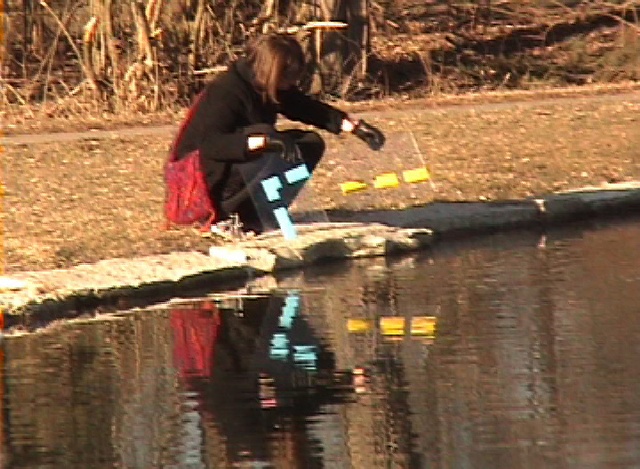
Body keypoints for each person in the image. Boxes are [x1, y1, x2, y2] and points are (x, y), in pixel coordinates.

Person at [169, 33, 385, 234]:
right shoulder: (226, 91)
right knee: (266, 138)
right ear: (271, 71)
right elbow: (211, 144)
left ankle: (262, 211)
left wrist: (351, 125)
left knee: (309, 144)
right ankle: (228, 216)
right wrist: (261, 141)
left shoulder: (265, 84)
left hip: (237, 162)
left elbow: (303, 106)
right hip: (203, 177)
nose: (291, 84)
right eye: (287, 79)